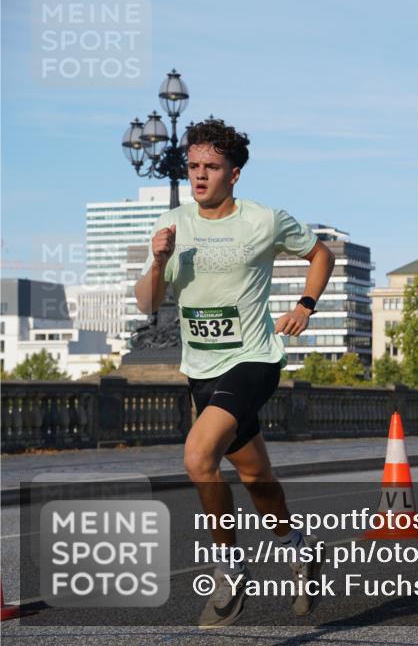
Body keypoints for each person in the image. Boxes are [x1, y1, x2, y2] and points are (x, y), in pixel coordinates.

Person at [134, 119, 334, 627]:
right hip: (200, 366)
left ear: (234, 173)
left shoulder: (263, 221)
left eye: (211, 167)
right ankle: (299, 548)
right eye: (193, 166)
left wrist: (306, 305)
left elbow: (320, 253)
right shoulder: (174, 223)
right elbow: (148, 304)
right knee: (255, 475)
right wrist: (157, 263)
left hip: (253, 359)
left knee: (199, 456)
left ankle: (229, 569)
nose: (199, 176)